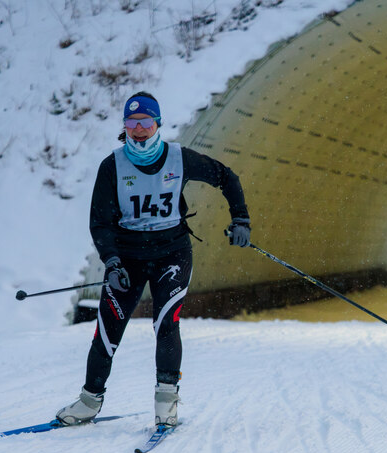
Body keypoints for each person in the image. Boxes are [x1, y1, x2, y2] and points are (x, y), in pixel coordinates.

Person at [56, 91, 251, 429]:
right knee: (107, 328)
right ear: (125, 127)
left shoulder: (179, 158)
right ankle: (89, 401)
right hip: (127, 259)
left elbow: (226, 177)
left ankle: (166, 403)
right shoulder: (112, 166)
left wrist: (241, 220)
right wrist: (111, 261)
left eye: (145, 122)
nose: (139, 129)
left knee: (166, 324)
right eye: (132, 123)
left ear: (158, 123)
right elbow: (100, 223)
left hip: (171, 255)